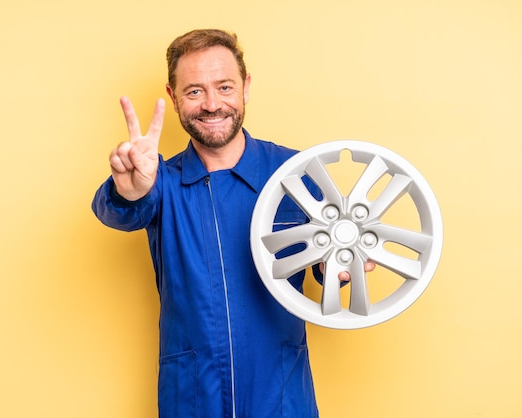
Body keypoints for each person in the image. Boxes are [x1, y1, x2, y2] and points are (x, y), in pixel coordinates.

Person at [92, 29, 373, 418]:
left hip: (280, 395)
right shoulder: (162, 183)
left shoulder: (294, 174)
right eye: (194, 91)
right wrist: (129, 189)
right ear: (173, 98)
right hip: (191, 396)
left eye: (224, 87)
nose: (211, 104)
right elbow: (118, 212)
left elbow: (326, 266)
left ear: (245, 87)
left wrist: (339, 266)